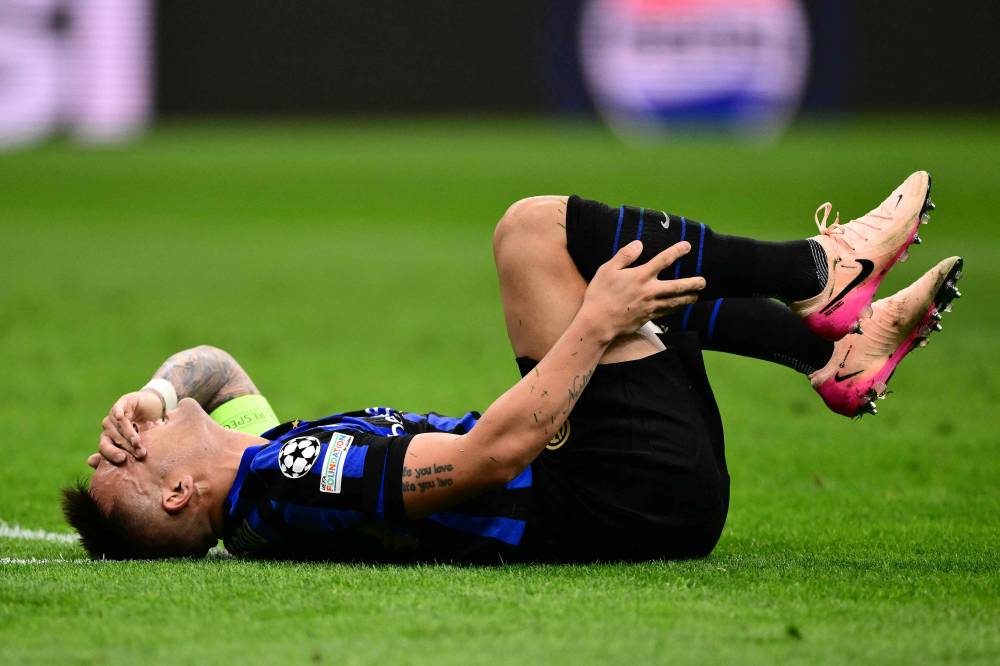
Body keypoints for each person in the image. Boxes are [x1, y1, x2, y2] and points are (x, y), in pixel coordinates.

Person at [62, 171, 963, 562]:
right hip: (623, 489)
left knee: (597, 273)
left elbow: (215, 368)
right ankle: (816, 273)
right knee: (535, 237)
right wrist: (593, 327)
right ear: (175, 495)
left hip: (637, 495)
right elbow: (491, 456)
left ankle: (832, 350)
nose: (119, 439)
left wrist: (155, 390)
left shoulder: (254, 472)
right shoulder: (296, 481)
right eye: (122, 461)